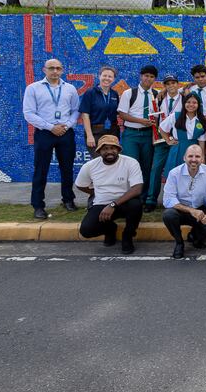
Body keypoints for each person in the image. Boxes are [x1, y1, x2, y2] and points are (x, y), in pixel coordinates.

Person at [22, 58, 81, 219]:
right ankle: (38, 206)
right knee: (41, 170)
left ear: (62, 70)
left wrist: (67, 125)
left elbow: (76, 110)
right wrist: (50, 127)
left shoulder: (69, 88)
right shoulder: (33, 88)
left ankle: (68, 200)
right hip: (44, 133)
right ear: (44, 70)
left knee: (67, 169)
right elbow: (28, 113)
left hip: (65, 132)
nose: (55, 71)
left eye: (58, 68)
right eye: (51, 68)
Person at [75, 135, 143, 255]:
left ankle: (127, 236)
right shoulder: (90, 166)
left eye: (113, 148)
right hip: (101, 203)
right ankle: (110, 229)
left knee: (136, 204)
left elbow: (137, 189)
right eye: (105, 148)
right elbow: (80, 185)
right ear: (99, 151)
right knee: (86, 230)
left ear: (118, 149)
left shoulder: (130, 162)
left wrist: (113, 204)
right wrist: (96, 192)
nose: (109, 151)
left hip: (124, 202)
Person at [162, 145, 206, 259]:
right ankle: (179, 243)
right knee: (168, 215)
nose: (193, 159)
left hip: (201, 209)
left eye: (197, 156)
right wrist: (191, 210)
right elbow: (168, 199)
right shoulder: (174, 173)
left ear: (202, 158)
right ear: (184, 157)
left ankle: (195, 236)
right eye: (190, 156)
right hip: (181, 209)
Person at [117, 64, 159, 208]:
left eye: (151, 76)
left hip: (148, 135)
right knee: (131, 166)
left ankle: (143, 196)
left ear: (155, 79)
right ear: (141, 76)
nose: (148, 79)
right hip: (132, 134)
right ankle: (129, 197)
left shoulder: (156, 94)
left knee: (146, 167)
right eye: (146, 75)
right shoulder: (129, 93)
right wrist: (140, 121)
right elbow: (122, 113)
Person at [146, 73, 181, 210]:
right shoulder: (158, 99)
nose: (171, 86)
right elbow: (153, 118)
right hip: (161, 139)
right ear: (164, 86)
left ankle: (176, 199)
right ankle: (151, 199)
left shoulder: (185, 98)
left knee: (176, 169)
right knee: (156, 169)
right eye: (168, 84)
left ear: (178, 84)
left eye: (173, 83)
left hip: (177, 140)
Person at [158, 92, 206, 177]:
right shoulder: (175, 116)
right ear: (184, 103)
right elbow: (162, 128)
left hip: (194, 151)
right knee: (176, 176)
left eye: (194, 102)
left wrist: (202, 157)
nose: (191, 105)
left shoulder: (201, 120)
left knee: (192, 176)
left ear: (198, 105)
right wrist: (168, 140)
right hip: (178, 149)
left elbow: (201, 141)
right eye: (188, 102)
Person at [79, 65, 120, 159]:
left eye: (110, 76)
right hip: (95, 132)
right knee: (99, 160)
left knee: (111, 160)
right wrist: (89, 135)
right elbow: (85, 115)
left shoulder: (114, 94)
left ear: (114, 79)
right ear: (99, 76)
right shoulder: (90, 93)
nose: (107, 78)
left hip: (112, 132)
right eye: (104, 75)